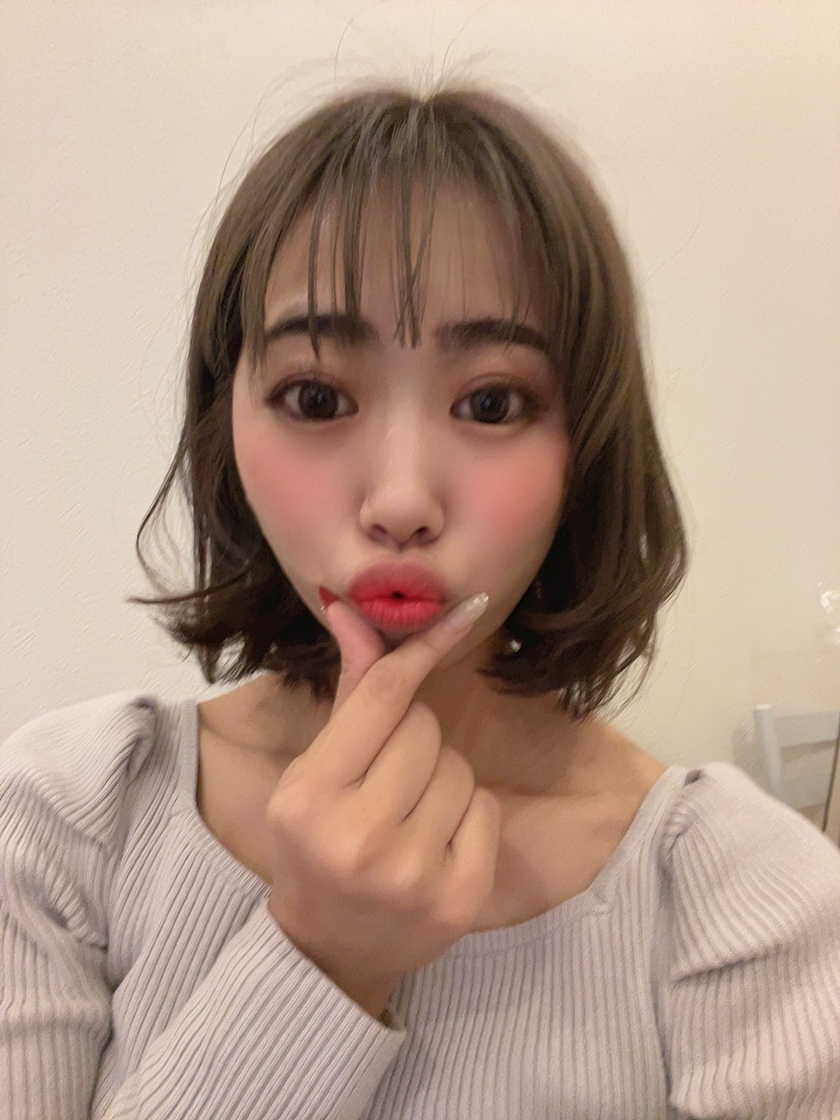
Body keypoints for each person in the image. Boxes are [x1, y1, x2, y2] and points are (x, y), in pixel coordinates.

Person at [2, 85, 839, 1120]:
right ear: (226, 425)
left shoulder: (749, 897)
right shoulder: (64, 816)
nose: (400, 501)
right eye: (316, 397)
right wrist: (318, 959)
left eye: (492, 401)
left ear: (587, 447)